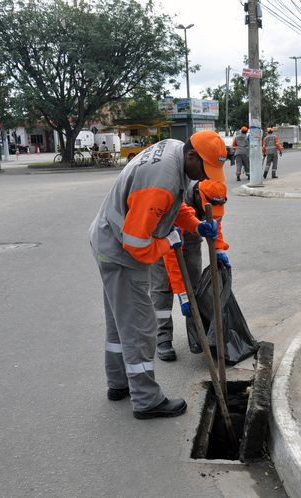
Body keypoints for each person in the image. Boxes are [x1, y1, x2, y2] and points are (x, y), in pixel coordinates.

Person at [89, 130, 226, 419]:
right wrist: (168, 242)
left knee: (119, 322)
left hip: (106, 239)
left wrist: (194, 225)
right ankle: (146, 399)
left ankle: (118, 384)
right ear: (191, 156)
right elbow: (137, 244)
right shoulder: (162, 181)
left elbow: (172, 206)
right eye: (203, 169)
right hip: (120, 251)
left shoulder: (175, 151)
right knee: (140, 325)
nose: (203, 178)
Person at [151, 180, 230, 361]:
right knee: (163, 288)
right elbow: (172, 258)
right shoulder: (178, 201)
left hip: (192, 241)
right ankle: (162, 338)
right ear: (197, 195)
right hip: (164, 244)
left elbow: (215, 225)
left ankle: (198, 335)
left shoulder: (214, 196)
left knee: (196, 289)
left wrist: (218, 248)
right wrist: (181, 294)